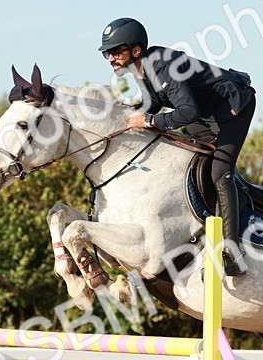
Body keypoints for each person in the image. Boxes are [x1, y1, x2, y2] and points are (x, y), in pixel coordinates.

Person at [99, 17, 255, 276]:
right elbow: (154, 103)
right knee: (180, 152)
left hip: (234, 107)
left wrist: (148, 120)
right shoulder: (140, 68)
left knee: (220, 172)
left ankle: (233, 252)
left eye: (115, 51)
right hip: (207, 114)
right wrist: (126, 115)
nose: (110, 58)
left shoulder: (164, 66)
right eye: (107, 53)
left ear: (135, 50)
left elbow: (187, 111)